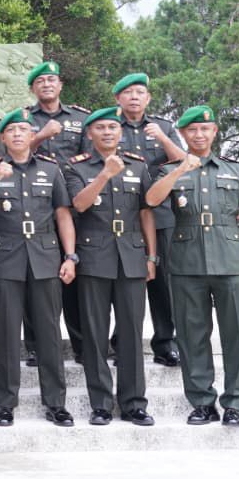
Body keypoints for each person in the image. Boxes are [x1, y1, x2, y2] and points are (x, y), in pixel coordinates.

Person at [145, 105, 239, 427]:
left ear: (214, 132)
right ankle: (201, 402)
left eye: (205, 129)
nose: (199, 134)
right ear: (183, 135)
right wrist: (179, 170)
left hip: (229, 263)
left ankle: (234, 405)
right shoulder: (170, 168)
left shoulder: (235, 170)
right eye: (192, 130)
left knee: (236, 336)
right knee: (191, 337)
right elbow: (152, 200)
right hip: (186, 265)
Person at [0, 108, 77, 428]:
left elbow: (62, 215)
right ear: (2, 138)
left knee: (47, 333)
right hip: (7, 257)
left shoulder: (50, 169)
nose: (17, 134)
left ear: (33, 136)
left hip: (45, 257)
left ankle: (56, 403)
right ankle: (6, 404)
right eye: (11, 130)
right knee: (5, 333)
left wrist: (70, 256)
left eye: (23, 129)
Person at [63, 107, 157, 427]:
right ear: (89, 134)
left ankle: (134, 403)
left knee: (131, 333)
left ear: (120, 133)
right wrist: (104, 174)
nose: (107, 133)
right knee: (95, 334)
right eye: (100, 128)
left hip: (131, 257)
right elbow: (79, 205)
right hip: (94, 257)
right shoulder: (77, 168)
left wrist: (151, 256)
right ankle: (101, 403)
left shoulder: (138, 166)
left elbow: (146, 212)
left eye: (113, 128)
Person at [111, 72, 187, 367]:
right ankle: (121, 343)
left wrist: (164, 137)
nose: (134, 97)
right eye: (127, 92)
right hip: (122, 214)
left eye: (139, 92)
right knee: (124, 281)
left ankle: (165, 343)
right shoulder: (107, 127)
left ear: (148, 98)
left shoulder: (164, 126)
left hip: (160, 213)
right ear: (118, 98)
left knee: (162, 281)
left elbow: (184, 163)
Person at [22, 61, 89, 364]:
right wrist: (40, 136)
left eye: (52, 80)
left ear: (60, 85)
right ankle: (37, 346)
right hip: (34, 210)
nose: (47, 84)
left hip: (74, 209)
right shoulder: (23, 119)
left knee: (76, 281)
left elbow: (90, 159)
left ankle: (81, 344)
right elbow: (14, 153)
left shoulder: (81, 119)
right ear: (33, 88)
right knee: (36, 280)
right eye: (40, 81)